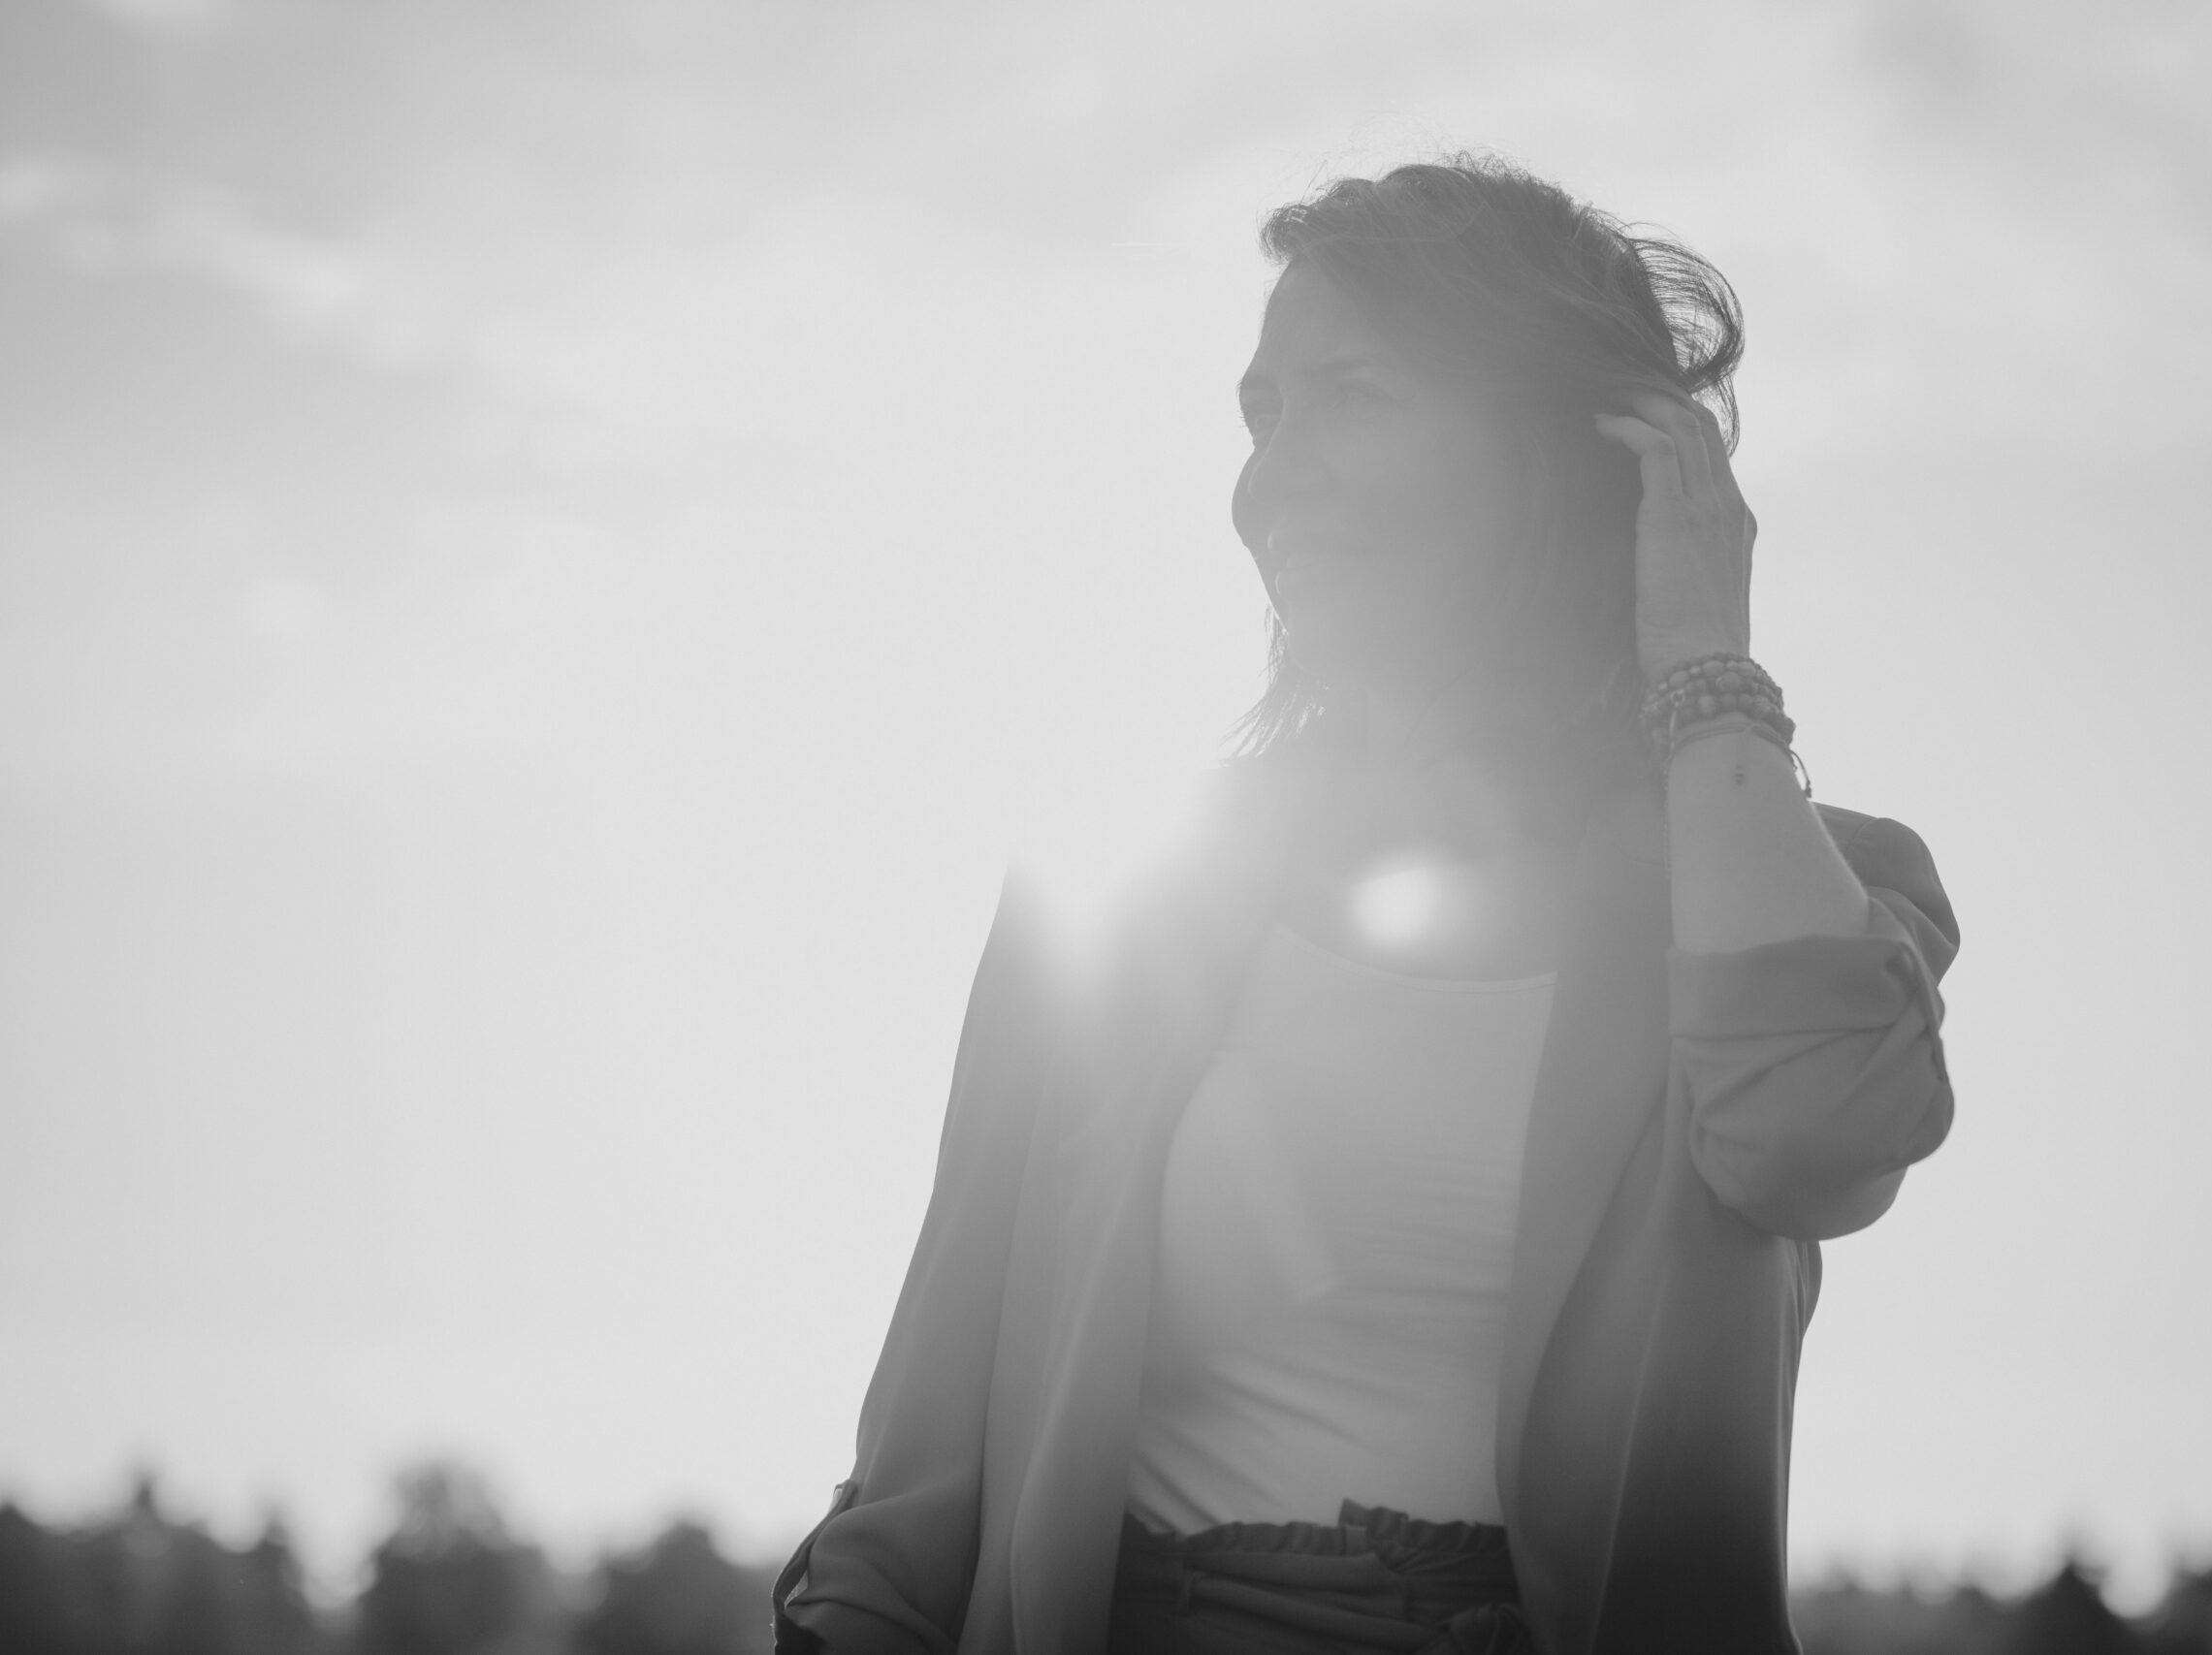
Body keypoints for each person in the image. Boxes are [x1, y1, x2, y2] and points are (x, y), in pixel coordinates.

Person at [773, 154, 1958, 1655]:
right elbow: (919, 1471)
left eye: (1354, 394)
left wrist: (1705, 665)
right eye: (1264, 414)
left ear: (1570, 446)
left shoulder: (1798, 889)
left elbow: (1819, 1148)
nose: (1274, 475)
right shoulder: (1114, 894)